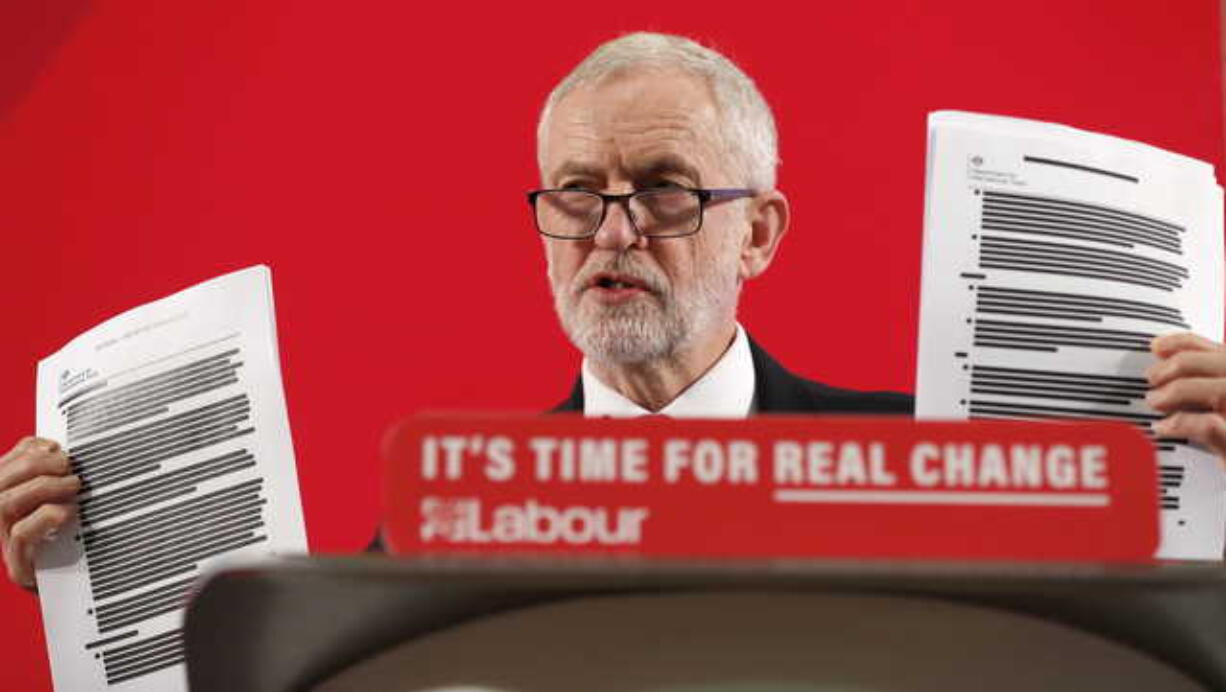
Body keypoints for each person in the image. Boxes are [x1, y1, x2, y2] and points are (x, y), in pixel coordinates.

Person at [4, 32, 1226, 587]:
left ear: (759, 230)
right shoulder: (420, 548)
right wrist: (79, 557)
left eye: (663, 191)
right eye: (576, 195)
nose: (612, 231)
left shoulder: (935, 467)